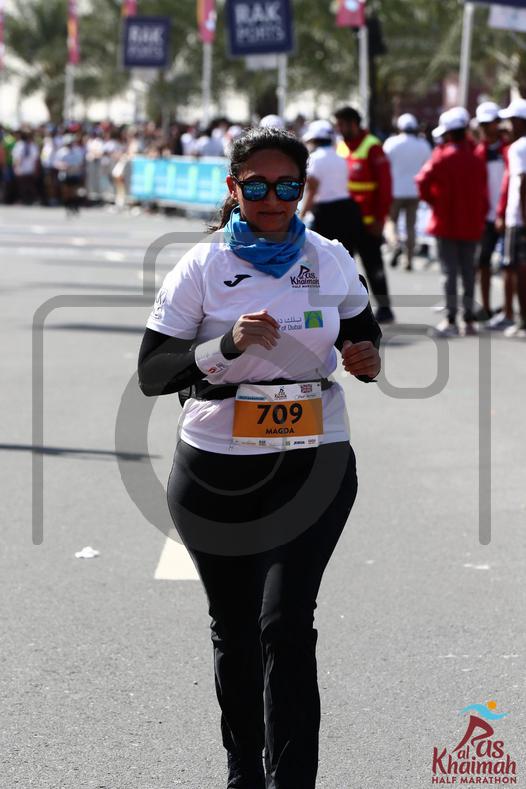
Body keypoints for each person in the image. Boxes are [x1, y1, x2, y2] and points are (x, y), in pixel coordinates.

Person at [137, 127, 382, 789]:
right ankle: (244, 770)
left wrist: (366, 359)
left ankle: (291, 780)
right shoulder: (202, 265)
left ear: (303, 189)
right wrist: (225, 347)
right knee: (237, 627)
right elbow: (153, 372)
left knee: (286, 623)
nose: (272, 199)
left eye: (286, 186)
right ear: (233, 187)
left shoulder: (330, 258)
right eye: (257, 186)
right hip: (216, 465)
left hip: (314, 459)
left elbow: (363, 337)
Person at [416, 107, 488, 337]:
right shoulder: (477, 157)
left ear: (448, 133)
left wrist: (434, 201)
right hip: (471, 223)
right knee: (468, 272)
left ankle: (451, 319)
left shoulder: (441, 156)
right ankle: (469, 320)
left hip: (445, 222)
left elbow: (422, 181)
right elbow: (484, 192)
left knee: (449, 273)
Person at [334, 105, 395, 323]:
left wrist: (380, 219)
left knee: (374, 266)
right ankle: (347, 313)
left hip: (369, 222)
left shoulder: (372, 146)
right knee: (343, 268)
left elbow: (385, 187)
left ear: (354, 124)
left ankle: (385, 309)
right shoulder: (340, 147)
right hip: (345, 221)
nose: (339, 129)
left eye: (342, 124)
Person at [298, 119, 362, 251]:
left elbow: (312, 190)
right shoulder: (341, 157)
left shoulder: (314, 159)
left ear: (315, 140)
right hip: (346, 208)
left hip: (325, 213)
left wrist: (302, 215)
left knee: (324, 253)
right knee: (344, 252)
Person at [383, 113, 431, 271]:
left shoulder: (391, 143)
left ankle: (395, 243)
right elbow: (428, 166)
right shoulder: (423, 145)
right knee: (411, 226)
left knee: (391, 222)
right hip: (414, 191)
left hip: (395, 190)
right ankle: (408, 260)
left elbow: (384, 165)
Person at [473, 102, 508, 321]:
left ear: (498, 123)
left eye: (489, 123)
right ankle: (485, 307)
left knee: (509, 266)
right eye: (483, 124)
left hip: (508, 216)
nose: (486, 128)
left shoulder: (509, 149)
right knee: (482, 261)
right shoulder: (478, 152)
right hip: (485, 217)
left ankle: (508, 309)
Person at [496, 98, 526, 338]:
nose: (507, 125)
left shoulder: (518, 148)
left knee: (518, 269)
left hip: (519, 219)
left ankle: (523, 319)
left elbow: (523, 183)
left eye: (511, 120)